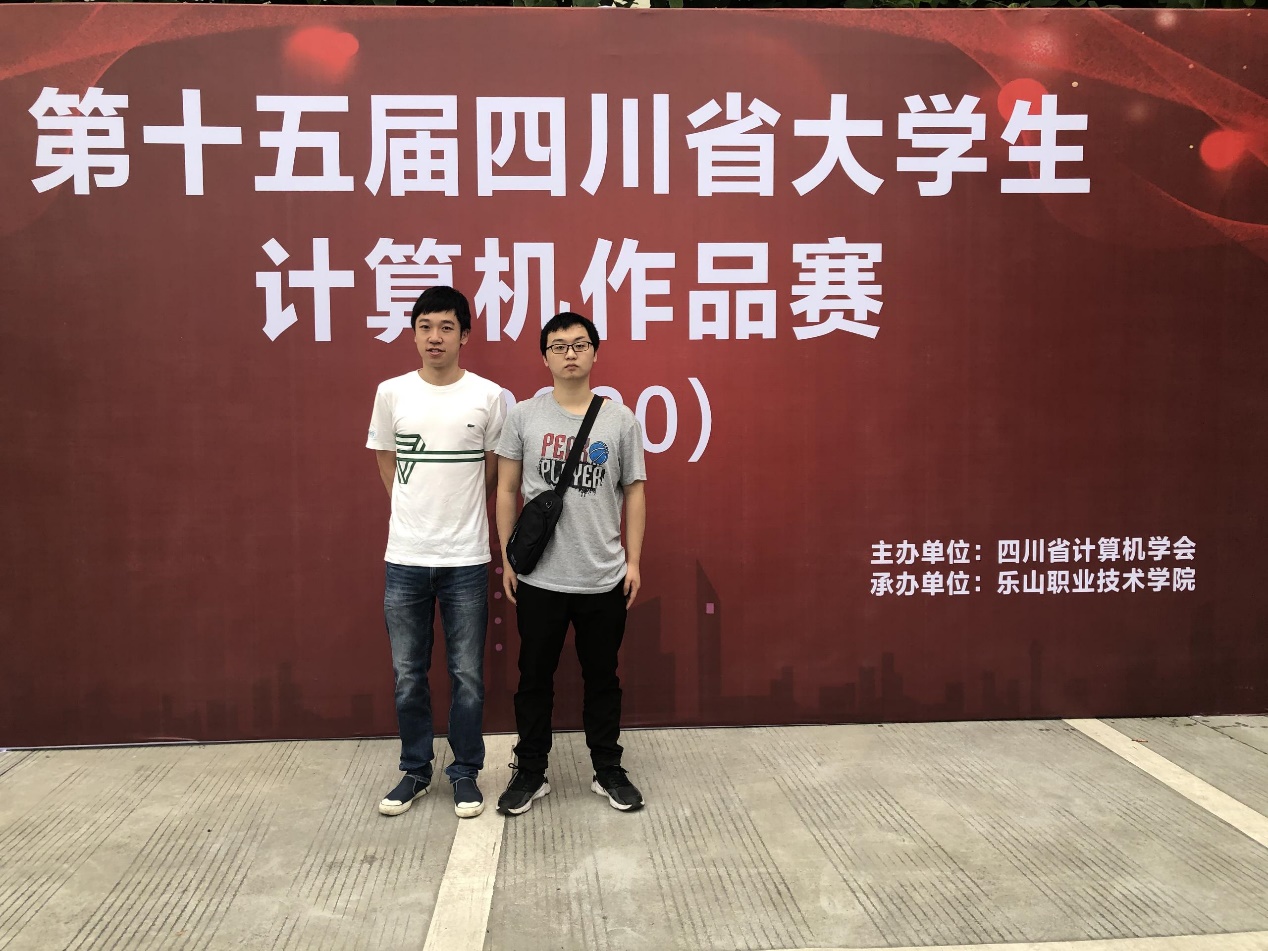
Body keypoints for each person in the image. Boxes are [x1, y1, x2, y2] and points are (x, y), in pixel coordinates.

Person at [494, 312, 647, 816]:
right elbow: (507, 489)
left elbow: (635, 491)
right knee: (533, 678)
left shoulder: (620, 420)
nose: (570, 354)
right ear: (545, 358)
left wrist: (634, 562)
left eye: (580, 344)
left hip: (603, 575)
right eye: (558, 346)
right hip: (541, 577)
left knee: (603, 678)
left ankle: (608, 769)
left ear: (595, 353)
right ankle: (531, 771)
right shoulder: (523, 416)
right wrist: (509, 558)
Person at [366, 286, 506, 819]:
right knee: (408, 674)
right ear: (413, 334)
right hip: (405, 556)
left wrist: (458, 511)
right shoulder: (392, 393)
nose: (435, 337)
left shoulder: (488, 396)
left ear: (464, 335)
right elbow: (385, 457)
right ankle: (416, 770)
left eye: (446, 327)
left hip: (466, 558)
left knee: (467, 675)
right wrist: (411, 507)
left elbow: (493, 471)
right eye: (425, 326)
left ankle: (465, 771)